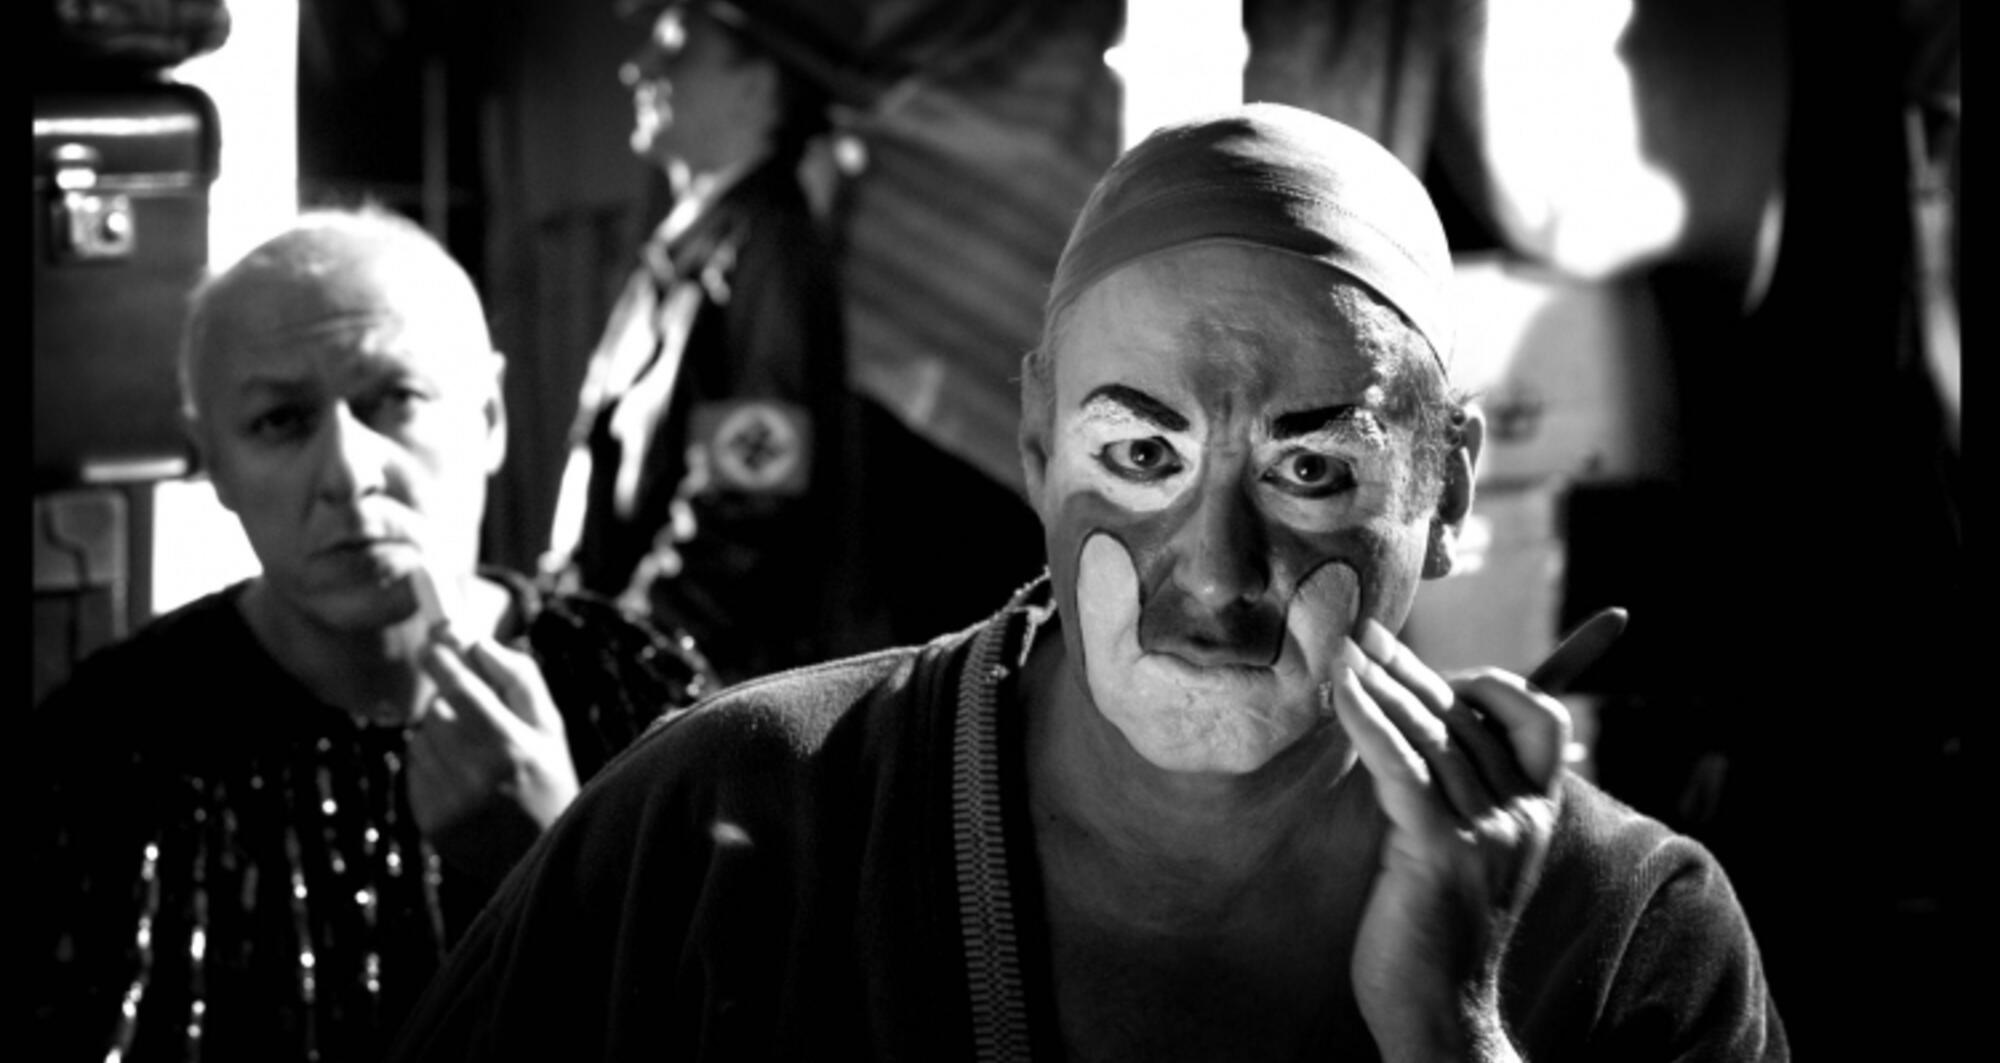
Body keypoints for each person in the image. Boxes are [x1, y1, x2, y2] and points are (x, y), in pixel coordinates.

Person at [388, 105, 1786, 1061]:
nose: (1216, 574)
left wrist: (1456, 1027)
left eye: (1311, 471)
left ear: (1450, 489)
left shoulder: (1628, 928)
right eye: (1138, 454)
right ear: (1036, 446)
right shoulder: (726, 818)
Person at [30, 207, 714, 1063]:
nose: (349, 474)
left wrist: (553, 860)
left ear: (490, 417)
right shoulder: (110, 749)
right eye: (280, 420)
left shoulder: (642, 694)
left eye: (395, 400)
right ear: (213, 462)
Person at [544, 0, 862, 685]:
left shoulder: (766, 252)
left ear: (757, 87)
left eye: (675, 50)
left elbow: (748, 506)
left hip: (706, 696)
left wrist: (631, 660)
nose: (637, 69)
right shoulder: (688, 253)